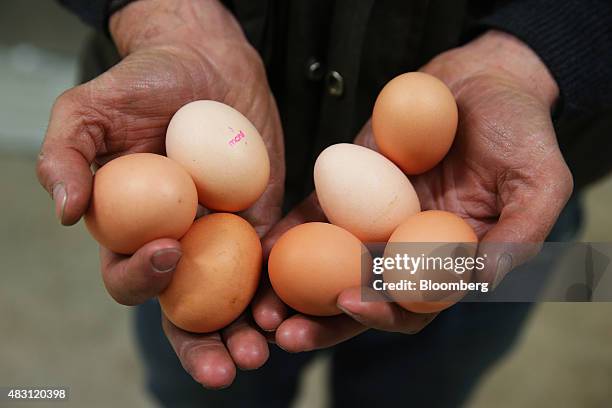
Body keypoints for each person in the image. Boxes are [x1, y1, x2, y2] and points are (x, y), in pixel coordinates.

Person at [37, 0, 612, 406]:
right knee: (209, 387)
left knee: (426, 380)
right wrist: (164, 12)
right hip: (192, 207)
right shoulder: (179, 190)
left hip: (480, 184)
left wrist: (533, 56)